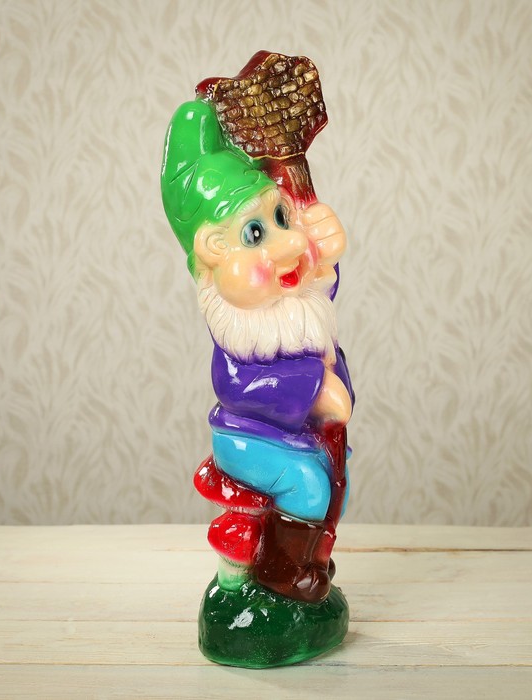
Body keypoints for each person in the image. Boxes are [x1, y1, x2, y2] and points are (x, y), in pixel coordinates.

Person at [161, 100, 353, 602]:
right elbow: (239, 389)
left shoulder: (287, 304)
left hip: (296, 436)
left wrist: (325, 258)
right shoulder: (237, 336)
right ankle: (281, 575)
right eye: (255, 233)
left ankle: (309, 557)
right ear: (212, 252)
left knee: (338, 483)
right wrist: (314, 388)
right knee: (308, 485)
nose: (289, 244)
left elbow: (311, 310)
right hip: (248, 438)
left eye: (283, 218)